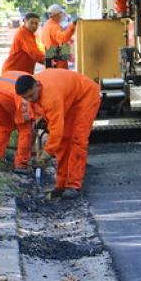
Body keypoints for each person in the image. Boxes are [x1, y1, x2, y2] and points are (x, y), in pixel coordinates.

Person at [15, 69, 101, 199]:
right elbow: (40, 111)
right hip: (69, 98)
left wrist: (46, 154)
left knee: (78, 139)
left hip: (86, 96)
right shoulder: (34, 91)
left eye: (31, 95)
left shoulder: (51, 97)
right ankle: (61, 185)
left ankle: (73, 185)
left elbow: (56, 131)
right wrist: (43, 119)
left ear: (38, 85)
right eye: (26, 97)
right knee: (64, 141)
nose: (29, 99)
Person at [0, 71, 38, 174]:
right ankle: (21, 165)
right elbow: (32, 123)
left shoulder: (23, 79)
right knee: (25, 128)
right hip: (11, 95)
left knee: (4, 128)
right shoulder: (30, 88)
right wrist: (32, 148)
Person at [41, 4, 76, 68]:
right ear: (56, 15)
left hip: (51, 56)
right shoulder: (54, 27)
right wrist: (73, 25)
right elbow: (63, 39)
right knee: (60, 76)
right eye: (60, 14)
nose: (61, 16)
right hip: (57, 58)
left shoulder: (47, 25)